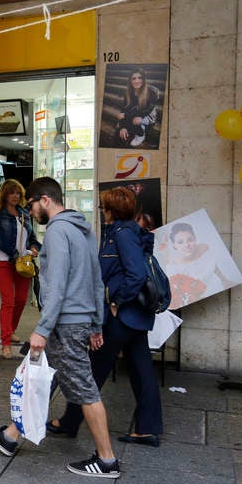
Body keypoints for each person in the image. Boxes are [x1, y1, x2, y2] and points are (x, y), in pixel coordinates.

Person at [0, 177, 120, 478]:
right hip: (78, 321)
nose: (31, 212)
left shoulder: (56, 232)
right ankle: (11, 435)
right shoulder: (84, 229)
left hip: (65, 323)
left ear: (45, 200)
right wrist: (95, 324)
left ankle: (107, 460)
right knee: (45, 377)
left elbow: (57, 287)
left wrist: (42, 329)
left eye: (31, 204)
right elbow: (96, 280)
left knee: (84, 388)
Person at [47, 187, 163, 446]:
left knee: (91, 370)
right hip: (134, 318)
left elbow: (136, 275)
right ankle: (147, 428)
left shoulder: (122, 235)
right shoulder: (128, 232)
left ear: (112, 210)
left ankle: (70, 421)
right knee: (142, 370)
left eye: (103, 207)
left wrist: (116, 303)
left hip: (122, 317)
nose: (101, 211)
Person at [0, 179, 41, 359]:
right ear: (5, 194)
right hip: (5, 260)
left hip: (23, 261)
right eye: (12, 192)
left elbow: (32, 237)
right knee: (8, 301)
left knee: (20, 300)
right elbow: (3, 242)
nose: (15, 196)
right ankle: (5, 343)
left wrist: (34, 247)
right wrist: (21, 253)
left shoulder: (24, 214)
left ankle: (11, 330)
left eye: (18, 193)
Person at [165, 222, 234, 308]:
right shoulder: (173, 268)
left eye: (190, 240)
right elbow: (180, 295)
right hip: (199, 301)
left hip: (220, 289)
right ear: (174, 245)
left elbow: (214, 266)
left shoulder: (204, 248)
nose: (186, 245)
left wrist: (225, 280)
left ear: (195, 239)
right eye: (180, 242)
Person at [115, 68, 160, 148]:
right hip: (135, 112)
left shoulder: (152, 91)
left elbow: (146, 111)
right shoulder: (128, 93)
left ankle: (140, 133)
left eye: (139, 78)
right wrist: (123, 127)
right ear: (130, 81)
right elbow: (124, 109)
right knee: (119, 126)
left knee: (136, 120)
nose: (136, 81)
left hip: (147, 115)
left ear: (143, 79)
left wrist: (125, 116)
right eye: (134, 78)